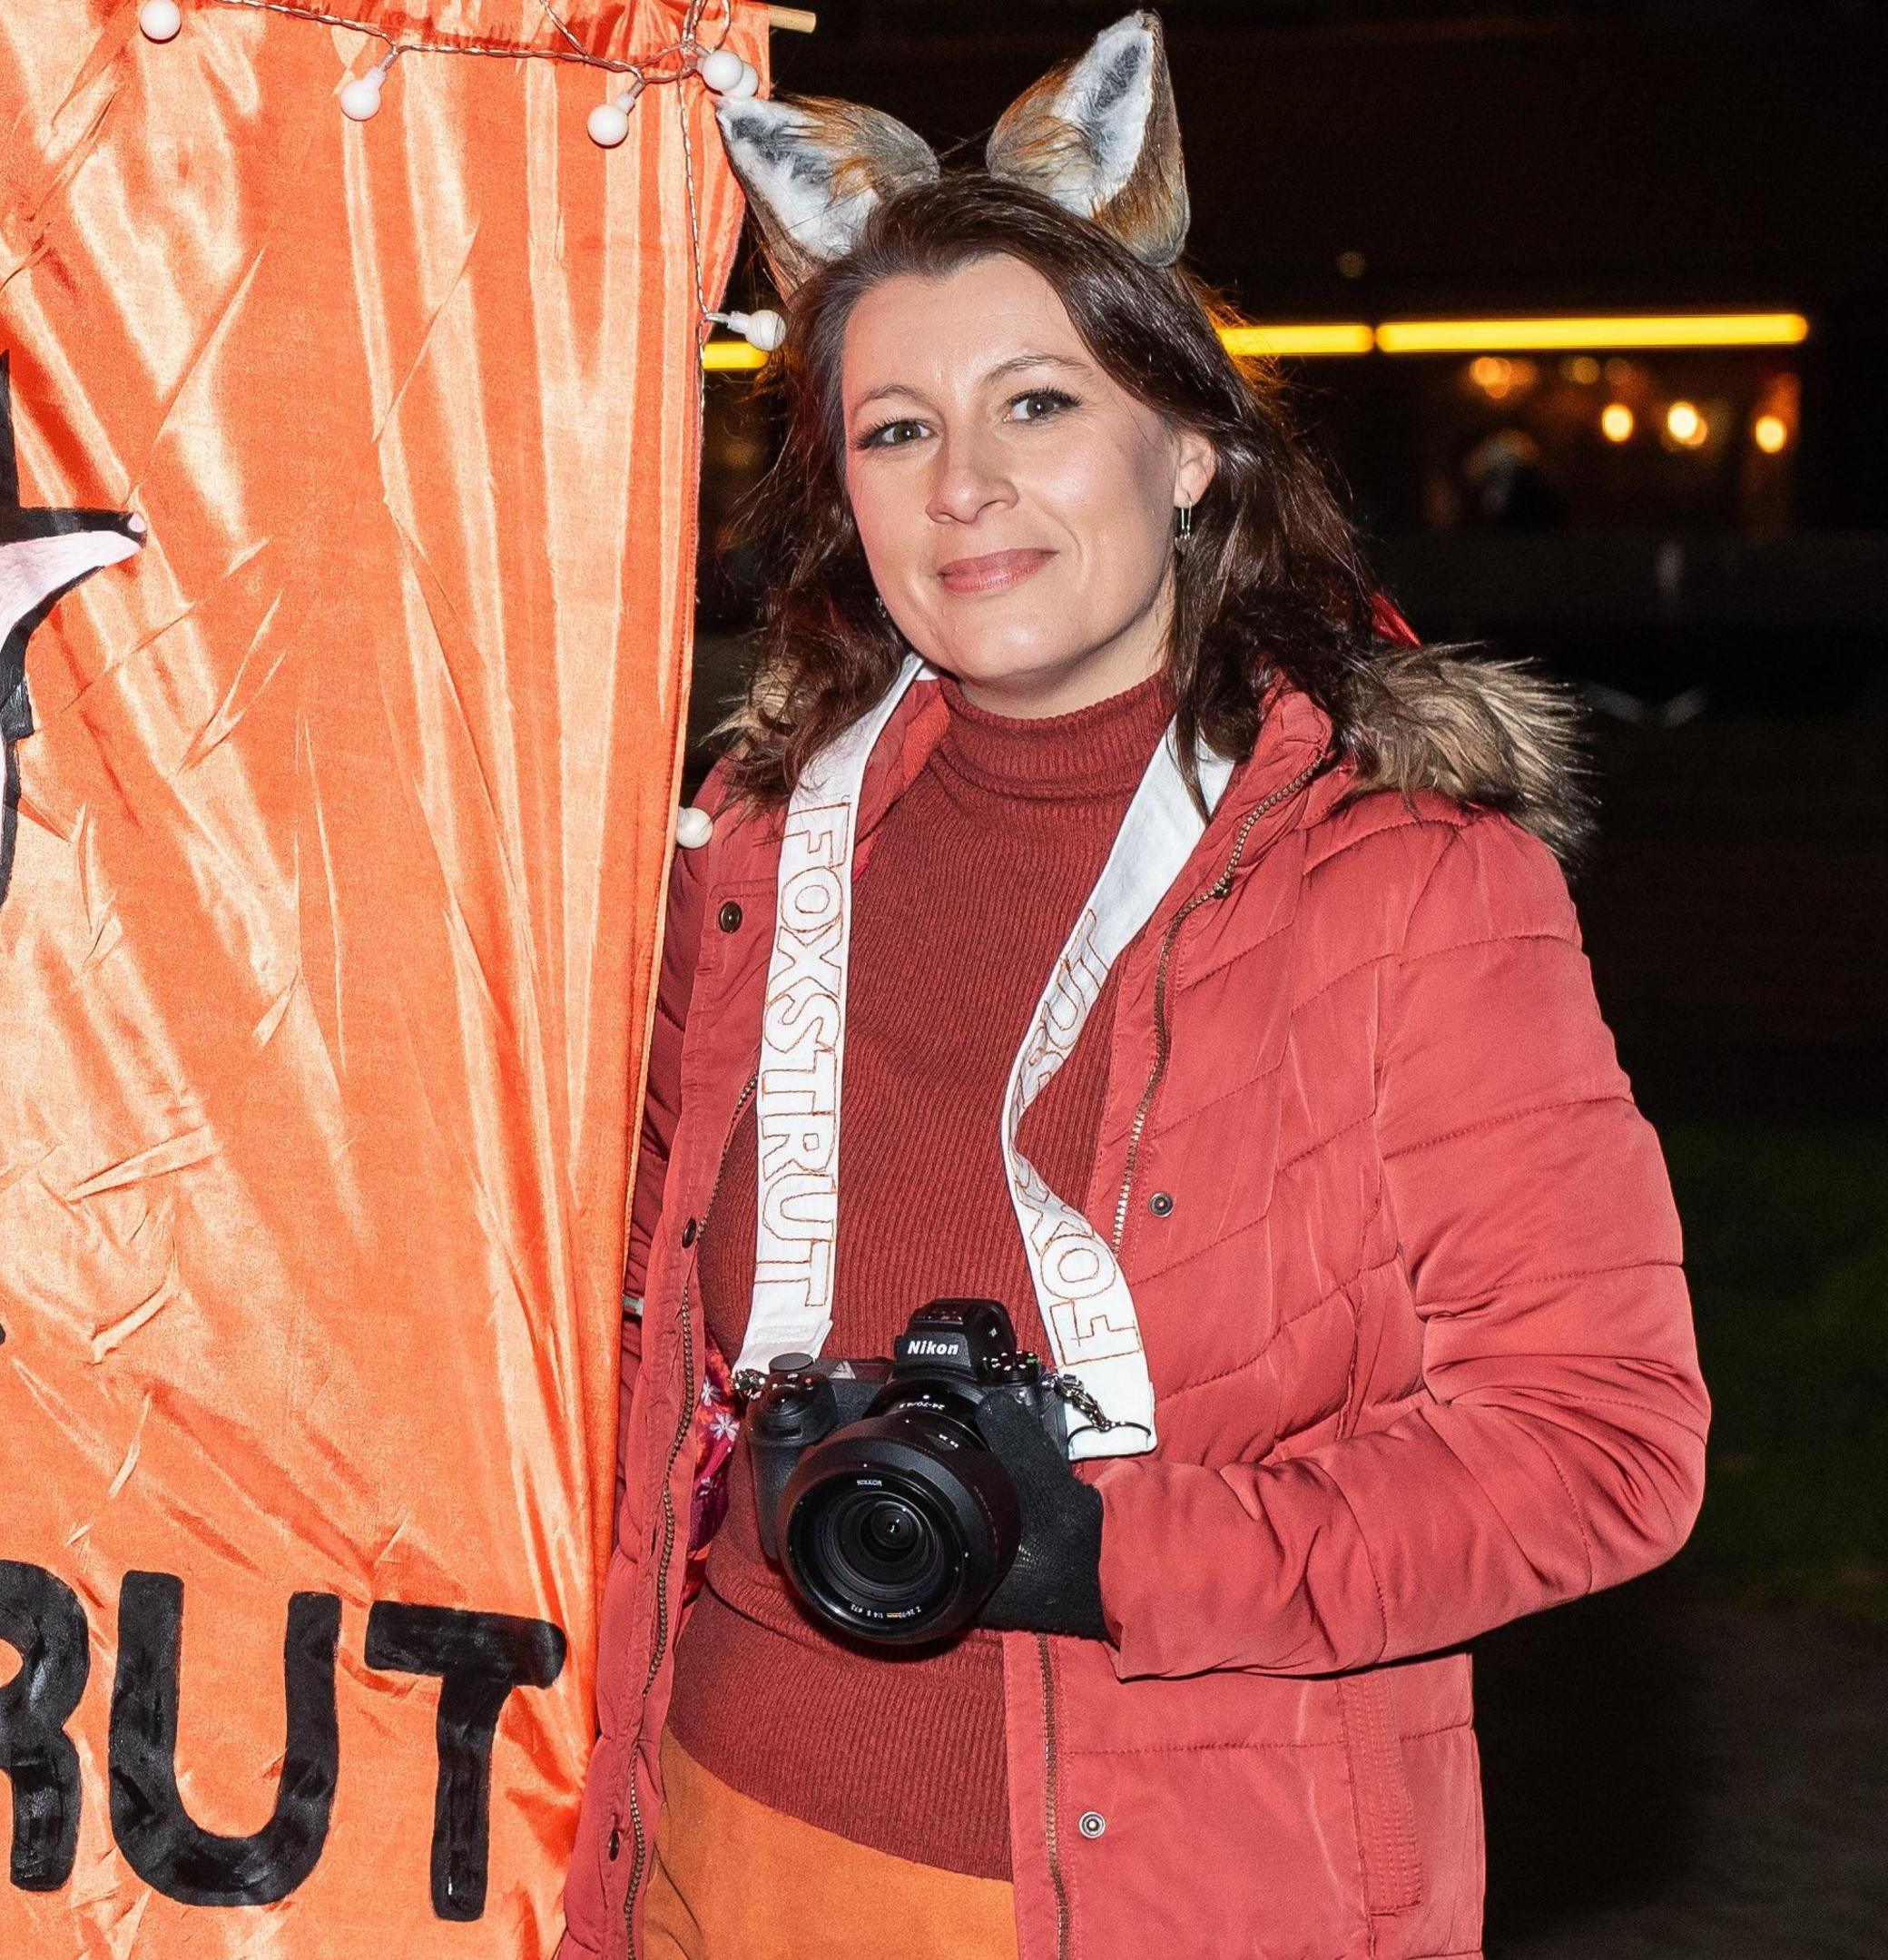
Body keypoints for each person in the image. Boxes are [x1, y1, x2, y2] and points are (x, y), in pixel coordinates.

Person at [559, 16, 1706, 1960]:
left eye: (1038, 404)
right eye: (896, 428)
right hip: (698, 1851)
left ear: (1185, 445)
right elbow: (621, 1324)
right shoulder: (746, 860)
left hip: (1155, 1885)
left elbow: (1604, 1447)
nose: (965, 490)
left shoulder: (1414, 888)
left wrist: (1107, 1545)